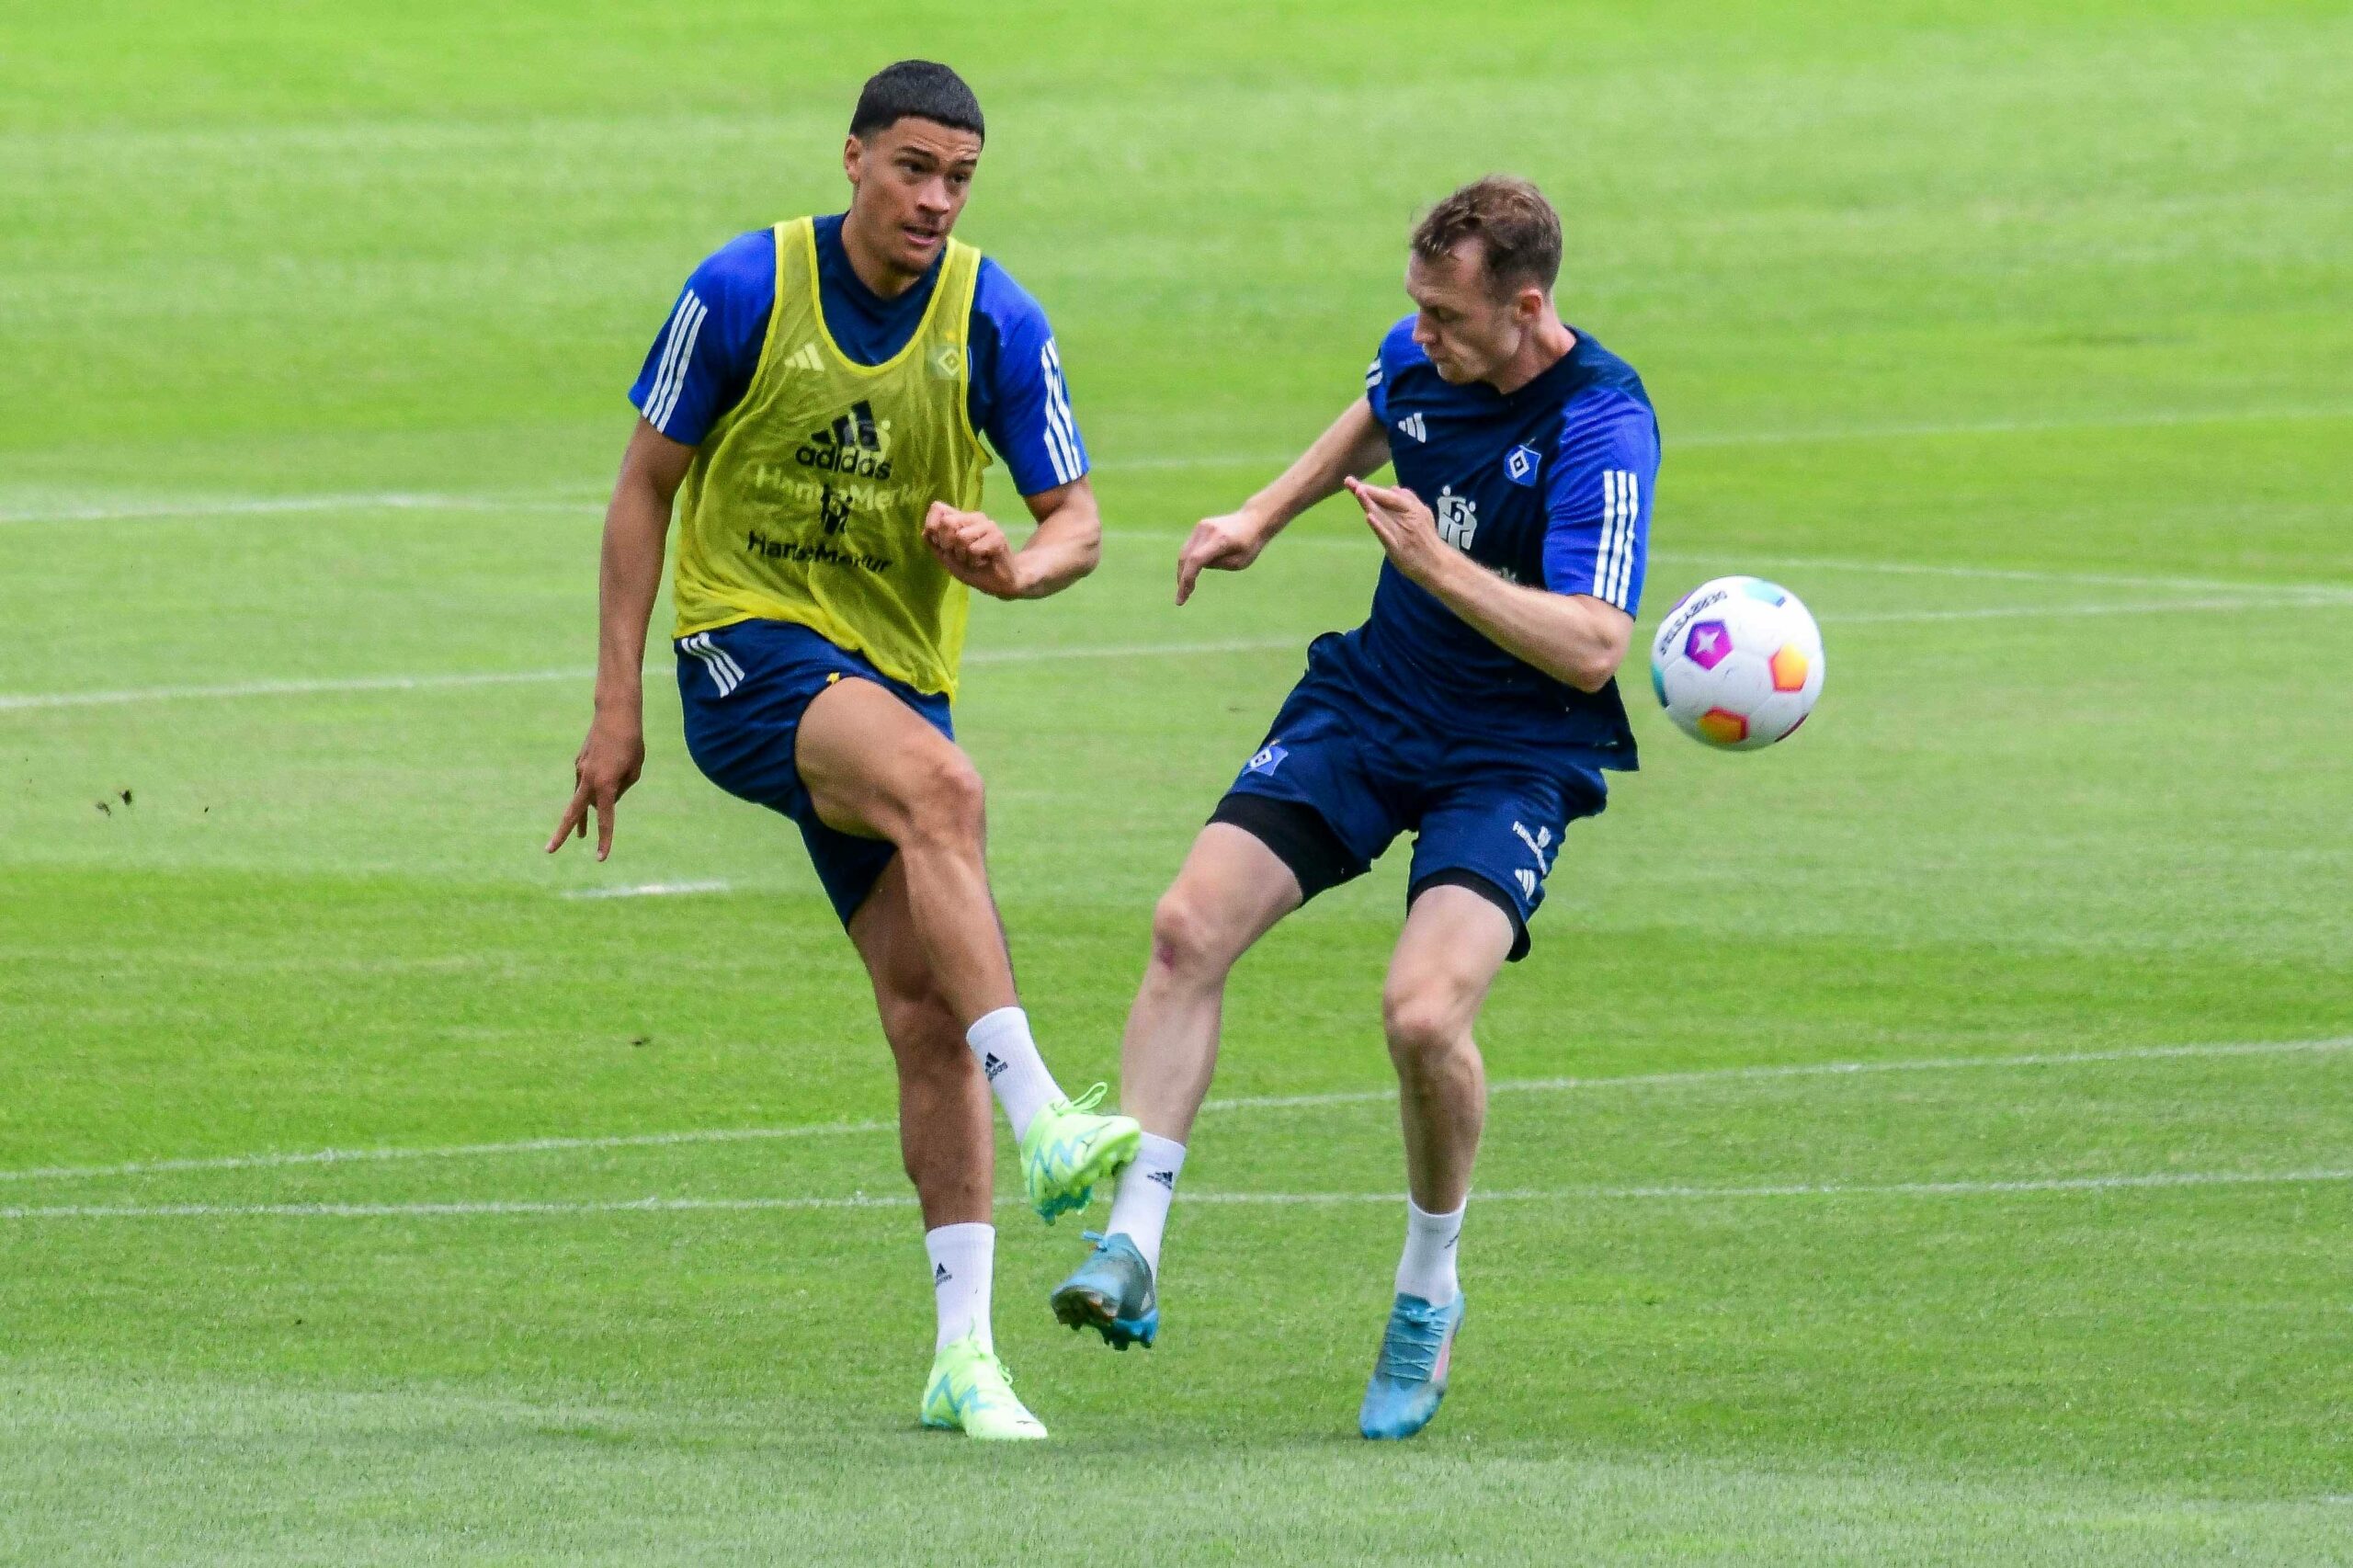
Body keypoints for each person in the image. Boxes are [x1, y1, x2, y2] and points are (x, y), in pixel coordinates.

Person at [547, 60, 1139, 1441]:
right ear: (855, 160)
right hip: (744, 652)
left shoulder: (994, 314)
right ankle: (1049, 1110)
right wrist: (614, 706)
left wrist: (1013, 566)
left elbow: (1082, 522)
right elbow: (644, 488)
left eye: (959, 178)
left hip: (891, 680)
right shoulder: (746, 289)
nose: (935, 198)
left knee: (927, 1015)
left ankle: (963, 1355)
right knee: (948, 790)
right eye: (914, 167)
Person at [1049, 176, 1660, 1440]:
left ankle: (1428, 1290)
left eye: (1445, 315)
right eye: (1415, 307)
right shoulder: (1421, 353)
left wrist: (1438, 563)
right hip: (1375, 705)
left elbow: (1596, 644)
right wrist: (1261, 515)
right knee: (1187, 927)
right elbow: (1379, 410)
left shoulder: (1604, 422)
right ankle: (1134, 1244)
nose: (1419, 334)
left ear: (1527, 305)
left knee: (1423, 1016)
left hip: (1515, 749)